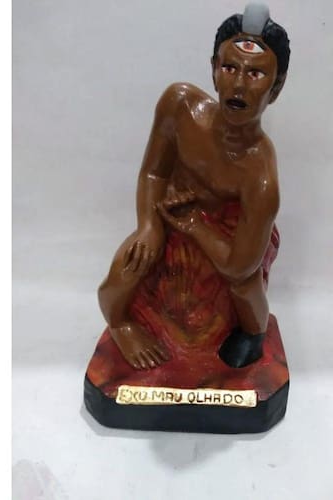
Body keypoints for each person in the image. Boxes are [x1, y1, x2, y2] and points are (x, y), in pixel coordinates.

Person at [98, 4, 290, 370]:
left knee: (244, 285)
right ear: (214, 70)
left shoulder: (260, 176)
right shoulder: (180, 106)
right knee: (126, 268)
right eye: (229, 68)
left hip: (232, 240)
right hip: (170, 214)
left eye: (255, 74)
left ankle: (253, 333)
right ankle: (122, 324)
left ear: (276, 87)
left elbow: (239, 266)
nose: (238, 84)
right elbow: (153, 173)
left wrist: (195, 225)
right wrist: (150, 226)